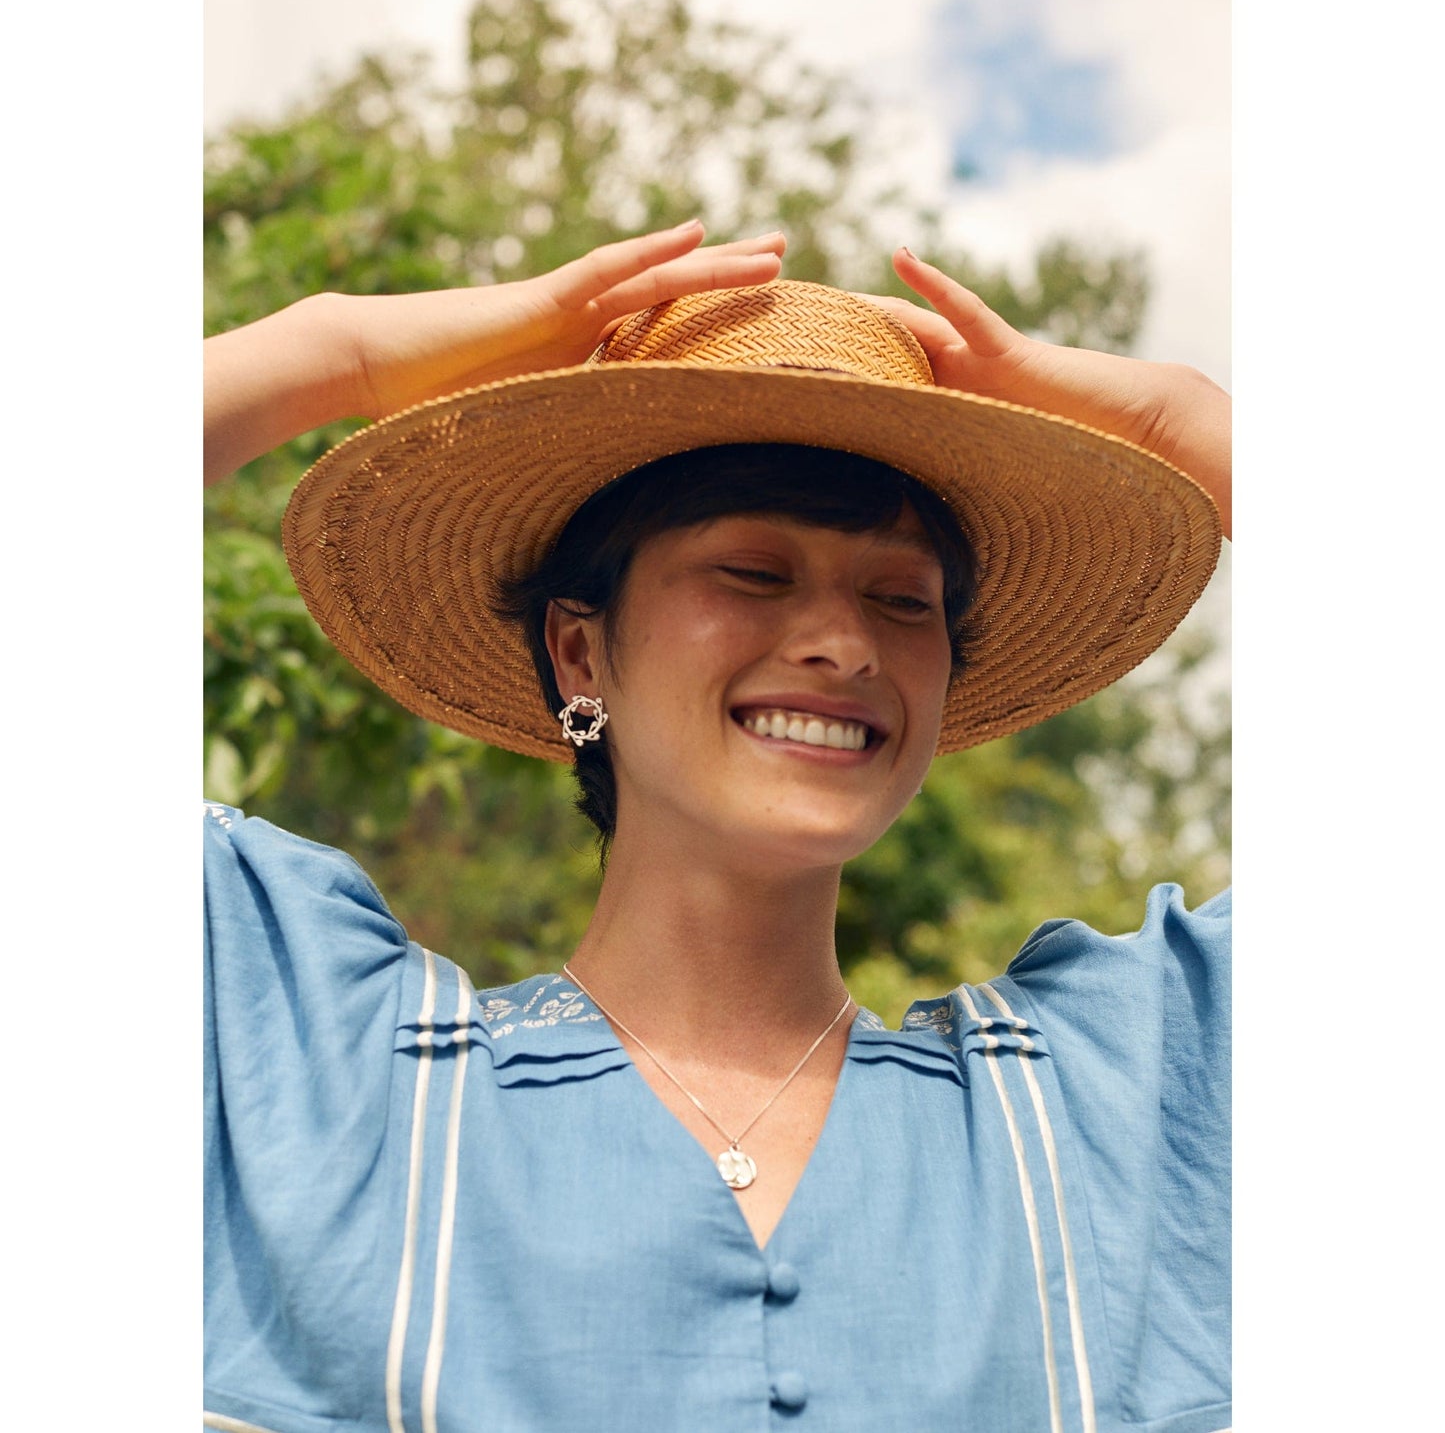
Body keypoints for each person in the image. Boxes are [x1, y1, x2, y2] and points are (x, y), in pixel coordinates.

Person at [204, 221, 1231, 1433]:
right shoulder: (324, 1074)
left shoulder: (1106, 1106)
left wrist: (1183, 422)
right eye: (753, 571)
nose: (845, 643)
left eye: (902, 600)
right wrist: (349, 346)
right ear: (579, 645)